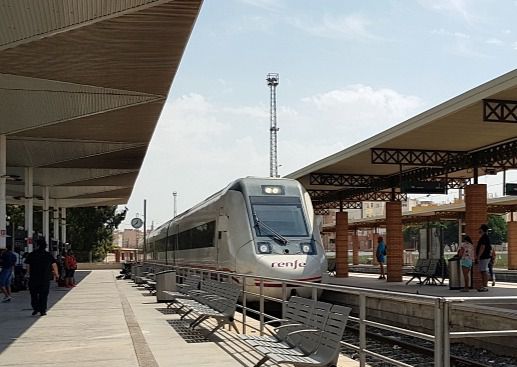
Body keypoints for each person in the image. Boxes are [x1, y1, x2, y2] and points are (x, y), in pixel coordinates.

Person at [25, 238, 58, 316]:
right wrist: (56, 274)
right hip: (45, 279)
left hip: (34, 278)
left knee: (34, 294)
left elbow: (28, 266)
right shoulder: (48, 255)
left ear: (37, 245)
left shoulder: (32, 254)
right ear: (45, 246)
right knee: (44, 295)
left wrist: (28, 274)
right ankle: (43, 310)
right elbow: (54, 265)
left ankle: (36, 308)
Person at [475, 224, 492, 292]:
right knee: (482, 271)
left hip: (484, 257)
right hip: (485, 256)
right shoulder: (485, 237)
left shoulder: (484, 237)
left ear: (482, 230)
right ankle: (483, 285)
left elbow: (482, 247)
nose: (479, 230)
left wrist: (478, 256)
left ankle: (484, 286)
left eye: (480, 229)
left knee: (484, 271)